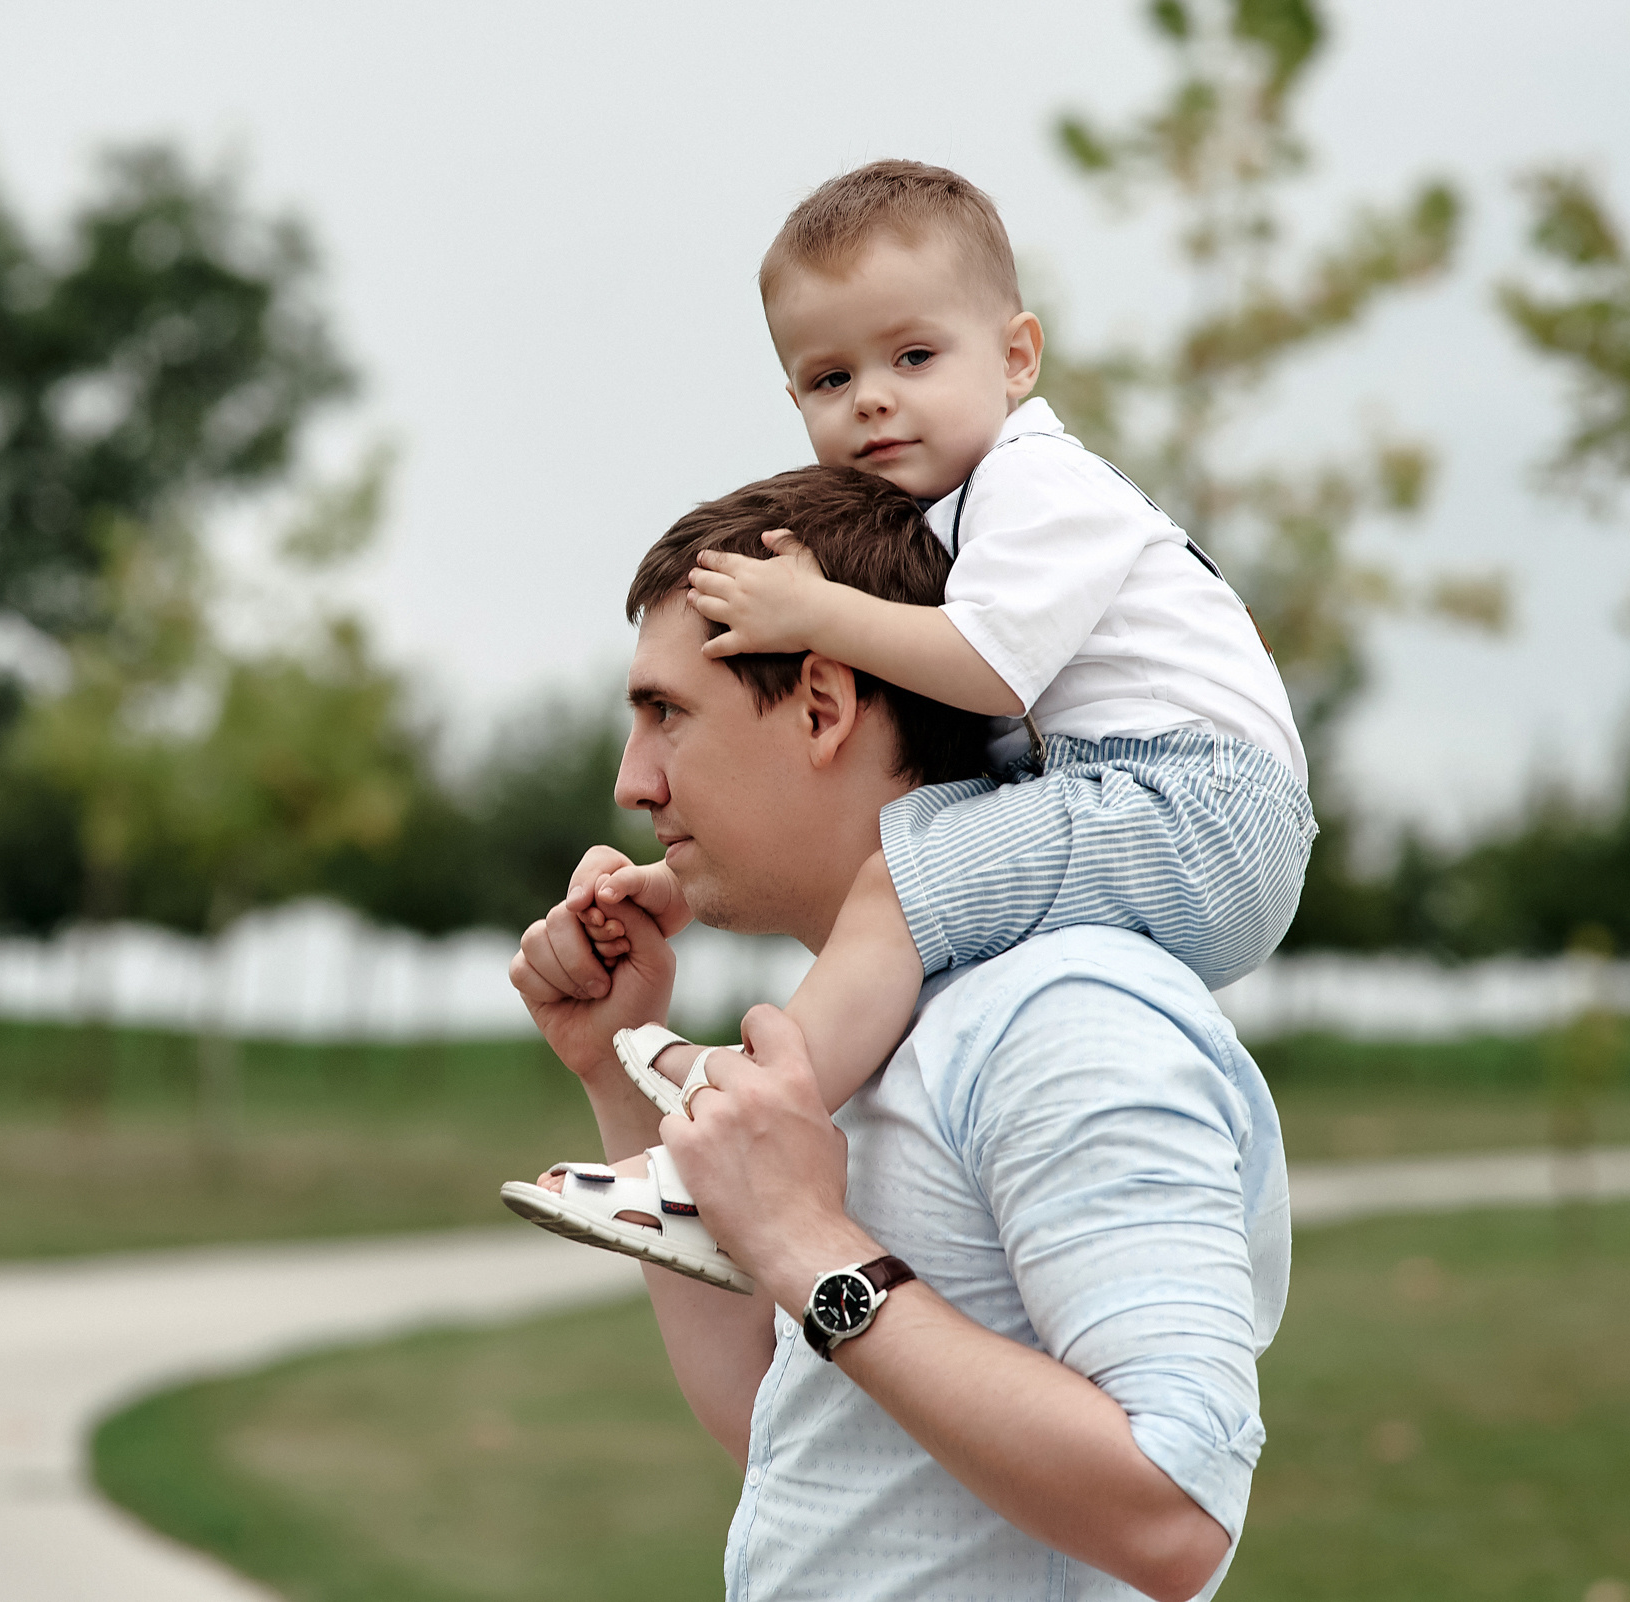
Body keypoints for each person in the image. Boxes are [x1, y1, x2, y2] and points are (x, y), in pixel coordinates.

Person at [515, 159, 1315, 1283]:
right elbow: (963, 774)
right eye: (829, 377)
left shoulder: (1042, 486)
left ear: (1019, 357)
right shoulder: (972, 524)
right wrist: (679, 886)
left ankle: (742, 1136)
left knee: (906, 881)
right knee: (921, 866)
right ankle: (739, 1133)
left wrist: (812, 608)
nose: (873, 398)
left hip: (1191, 802)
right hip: (1144, 793)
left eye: (914, 357)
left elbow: (985, 672)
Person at [507, 465, 1290, 1600]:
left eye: (666, 712)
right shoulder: (882, 1029)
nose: (633, 781)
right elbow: (803, 1445)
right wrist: (626, 1071)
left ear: (823, 706)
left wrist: (811, 1247)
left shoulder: (1066, 1012)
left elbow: (1175, 1507)